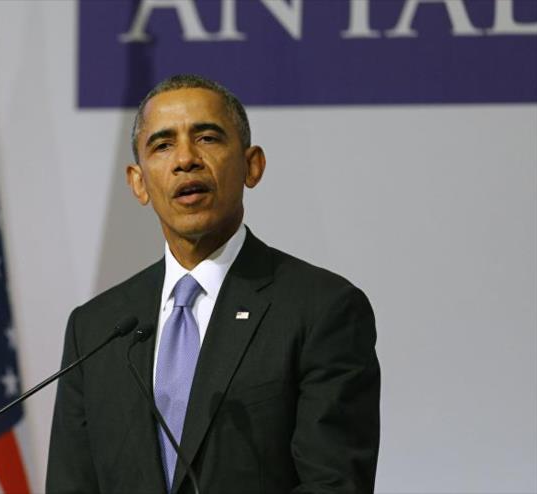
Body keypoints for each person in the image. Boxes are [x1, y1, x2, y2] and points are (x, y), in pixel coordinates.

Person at [46, 74, 380, 493]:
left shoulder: (320, 309)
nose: (185, 159)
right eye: (163, 145)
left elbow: (334, 484)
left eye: (207, 138)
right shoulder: (96, 328)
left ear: (252, 165)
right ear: (138, 181)